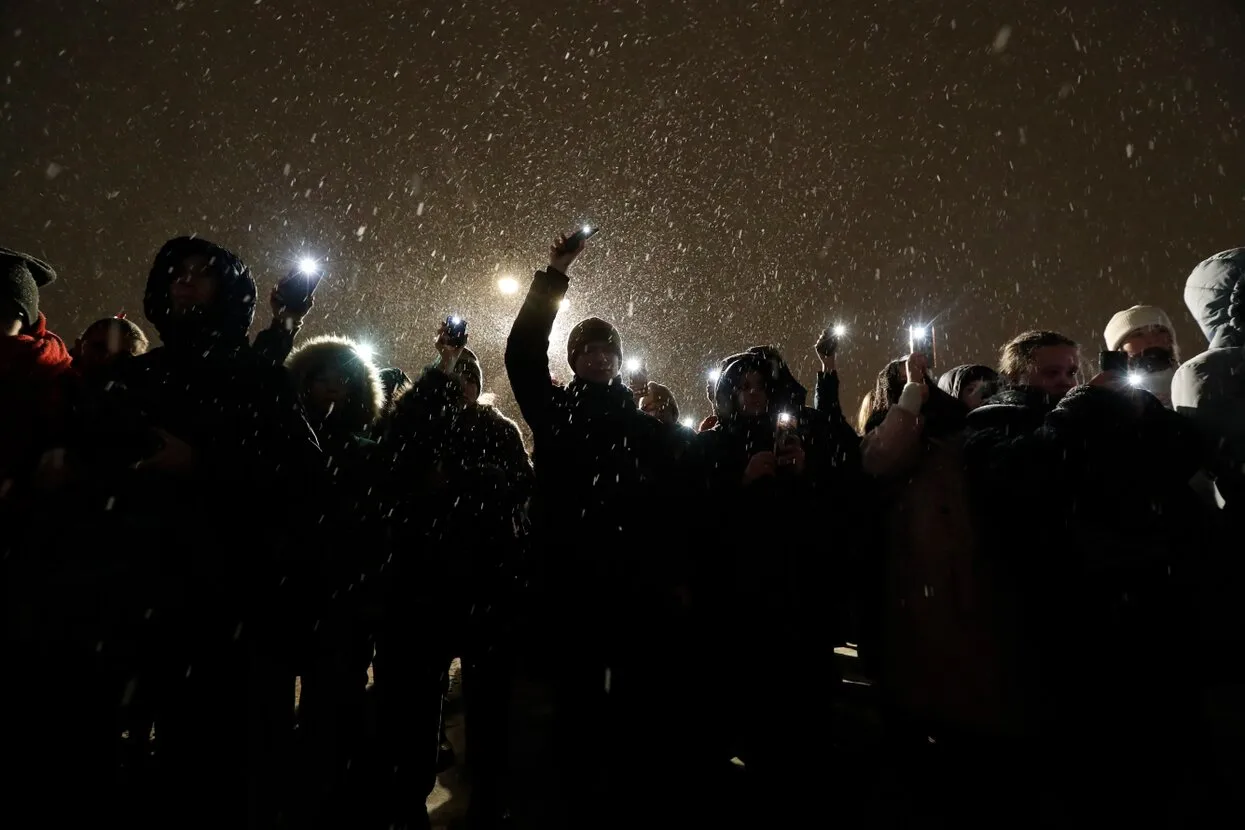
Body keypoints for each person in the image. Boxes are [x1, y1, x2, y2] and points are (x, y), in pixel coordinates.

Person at [1104, 304, 1180, 406]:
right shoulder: (1110, 400)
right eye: (1138, 335)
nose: (1152, 340)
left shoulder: (1193, 379)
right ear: (1119, 348)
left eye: (1160, 331)